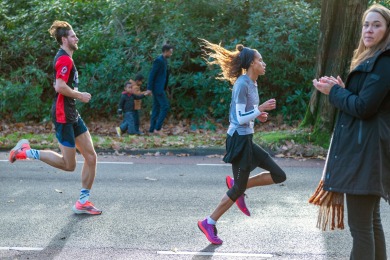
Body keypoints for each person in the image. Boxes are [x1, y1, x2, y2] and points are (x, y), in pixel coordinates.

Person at [312, 4, 390, 259]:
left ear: (387, 29)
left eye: (377, 25)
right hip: (368, 150)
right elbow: (364, 100)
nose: (369, 29)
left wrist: (334, 92)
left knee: (361, 229)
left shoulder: (384, 61)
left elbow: (364, 107)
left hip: (366, 152)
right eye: (366, 24)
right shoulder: (373, 58)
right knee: (371, 223)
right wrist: (343, 90)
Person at [197, 39, 286, 245]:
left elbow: (247, 114)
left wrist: (258, 115)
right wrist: (260, 109)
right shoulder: (242, 84)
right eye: (260, 60)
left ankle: (239, 185)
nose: (264, 64)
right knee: (237, 190)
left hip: (247, 138)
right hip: (238, 140)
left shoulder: (253, 83)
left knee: (279, 175)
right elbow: (238, 118)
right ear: (252, 64)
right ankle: (208, 222)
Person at [8, 20, 102, 215]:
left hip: (71, 112)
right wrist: (80, 95)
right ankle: (25, 151)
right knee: (69, 165)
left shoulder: (66, 58)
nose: (76, 38)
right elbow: (59, 86)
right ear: (64, 39)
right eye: (73, 35)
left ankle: (83, 202)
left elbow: (60, 85)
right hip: (63, 115)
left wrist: (74, 96)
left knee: (91, 157)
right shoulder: (64, 60)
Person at [147, 44, 173, 135]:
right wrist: (149, 88)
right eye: (170, 52)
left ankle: (151, 129)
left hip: (160, 88)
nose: (171, 54)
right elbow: (152, 75)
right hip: (157, 88)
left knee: (156, 108)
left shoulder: (164, 61)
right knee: (165, 107)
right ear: (165, 51)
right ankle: (157, 128)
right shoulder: (158, 61)